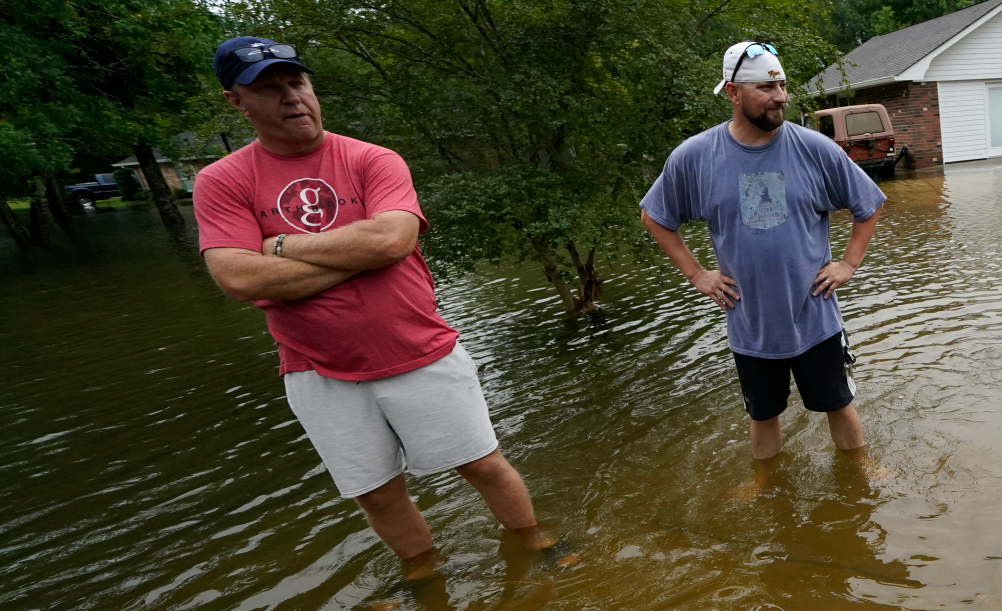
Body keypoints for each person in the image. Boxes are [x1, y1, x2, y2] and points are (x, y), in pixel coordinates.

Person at [192, 36, 559, 574]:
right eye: (268, 89)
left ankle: (537, 546)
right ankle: (423, 576)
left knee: (482, 465)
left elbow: (392, 242)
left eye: (297, 82)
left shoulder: (370, 159)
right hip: (315, 368)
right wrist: (355, 253)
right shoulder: (222, 181)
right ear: (236, 102)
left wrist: (280, 247)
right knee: (376, 492)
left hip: (418, 349)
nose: (291, 98)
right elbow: (238, 278)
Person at [641, 41, 885, 463]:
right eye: (766, 89)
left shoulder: (815, 149)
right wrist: (699, 275)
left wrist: (848, 263)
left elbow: (870, 204)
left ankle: (860, 473)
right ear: (733, 92)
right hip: (750, 322)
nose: (781, 98)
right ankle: (766, 484)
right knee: (762, 414)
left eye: (783, 86)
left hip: (815, 316)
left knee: (838, 404)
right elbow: (655, 217)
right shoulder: (696, 157)